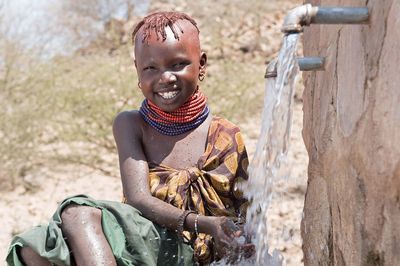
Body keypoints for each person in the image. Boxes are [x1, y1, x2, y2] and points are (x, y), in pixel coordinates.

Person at [6, 11, 254, 266]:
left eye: (178, 64)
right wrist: (205, 224)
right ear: (137, 70)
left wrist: (225, 235)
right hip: (147, 242)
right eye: (150, 68)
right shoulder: (132, 124)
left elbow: (245, 214)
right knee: (35, 246)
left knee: (76, 215)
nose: (165, 77)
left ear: (201, 64)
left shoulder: (225, 135)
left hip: (197, 254)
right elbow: (138, 199)